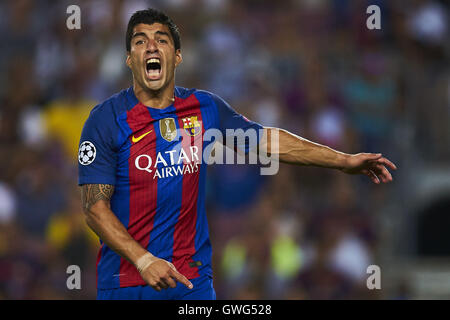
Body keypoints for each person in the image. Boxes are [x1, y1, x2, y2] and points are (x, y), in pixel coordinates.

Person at [78, 8, 396, 300]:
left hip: (192, 284)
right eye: (139, 41)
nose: (150, 47)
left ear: (176, 57)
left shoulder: (204, 108)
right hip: (126, 284)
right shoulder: (105, 120)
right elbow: (94, 208)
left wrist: (342, 160)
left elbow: (266, 141)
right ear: (128, 58)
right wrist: (143, 259)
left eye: (160, 40)